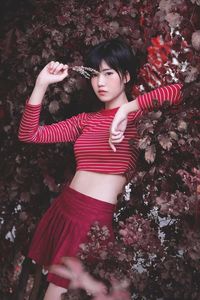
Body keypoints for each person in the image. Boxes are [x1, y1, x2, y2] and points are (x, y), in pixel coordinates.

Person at [18, 38, 183, 300]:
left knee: (59, 293)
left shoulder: (141, 118)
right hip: (65, 209)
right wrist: (41, 84)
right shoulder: (87, 120)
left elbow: (182, 91)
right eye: (95, 76)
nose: (100, 83)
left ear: (126, 75)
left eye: (108, 74)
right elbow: (30, 135)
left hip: (94, 218)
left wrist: (129, 108)